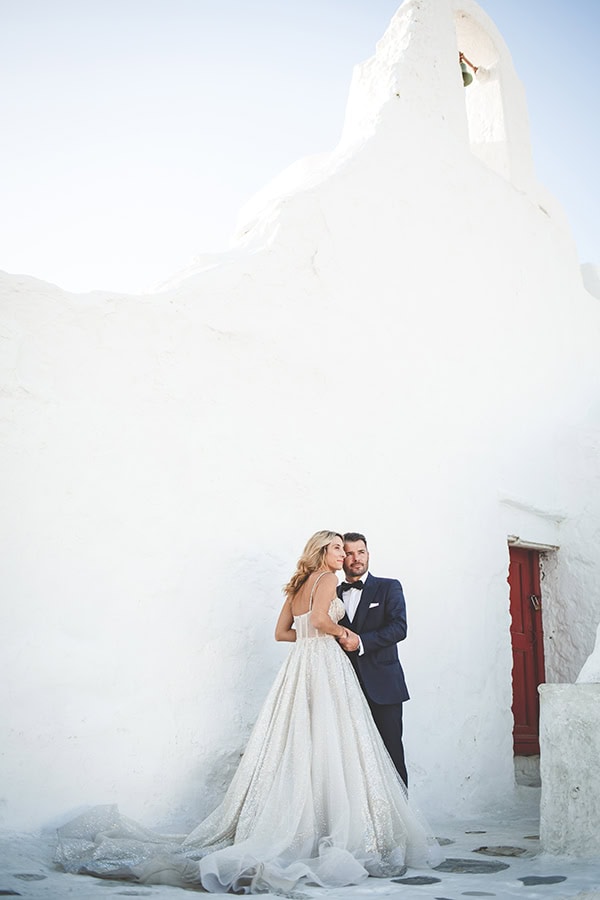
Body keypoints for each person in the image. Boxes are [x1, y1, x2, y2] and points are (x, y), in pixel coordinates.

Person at [55, 531, 441, 894]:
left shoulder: (300, 585)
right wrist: (339, 635)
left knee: (312, 743)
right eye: (339, 548)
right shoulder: (326, 579)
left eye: (351, 550)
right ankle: (351, 828)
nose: (345, 555)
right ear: (323, 551)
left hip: (307, 667)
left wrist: (312, 638)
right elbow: (323, 620)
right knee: (338, 742)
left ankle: (322, 821)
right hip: (326, 666)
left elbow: (283, 633)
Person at [338, 532, 409, 786]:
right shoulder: (332, 594)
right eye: (349, 553)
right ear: (340, 557)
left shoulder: (389, 586)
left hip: (384, 685)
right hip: (344, 687)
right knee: (351, 756)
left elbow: (399, 628)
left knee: (391, 753)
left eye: (361, 552)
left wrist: (362, 642)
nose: (356, 558)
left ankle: (400, 821)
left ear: (368, 554)